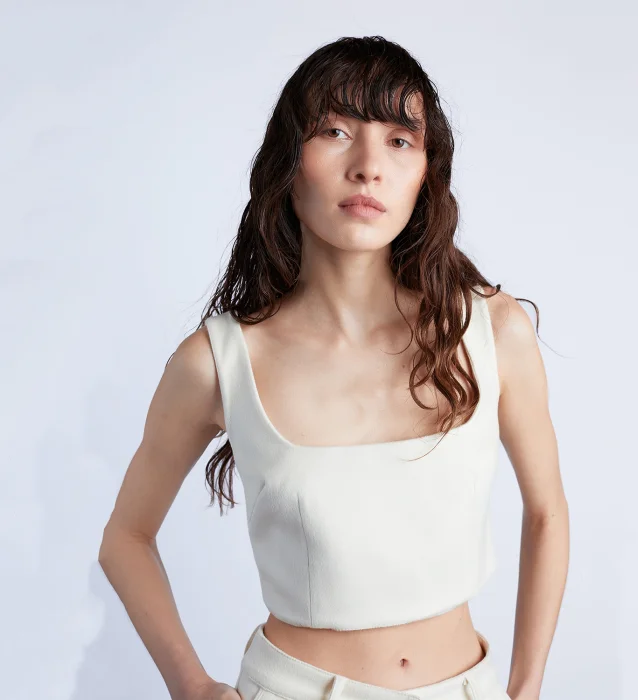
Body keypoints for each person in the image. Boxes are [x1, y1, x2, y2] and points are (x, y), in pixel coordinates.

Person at [98, 35, 569, 700]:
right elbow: (125, 537)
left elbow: (547, 512)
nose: (369, 167)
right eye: (335, 131)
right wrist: (192, 686)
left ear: (425, 176)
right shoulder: (219, 362)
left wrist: (526, 688)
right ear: (288, 165)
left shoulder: (490, 330)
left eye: (399, 140)